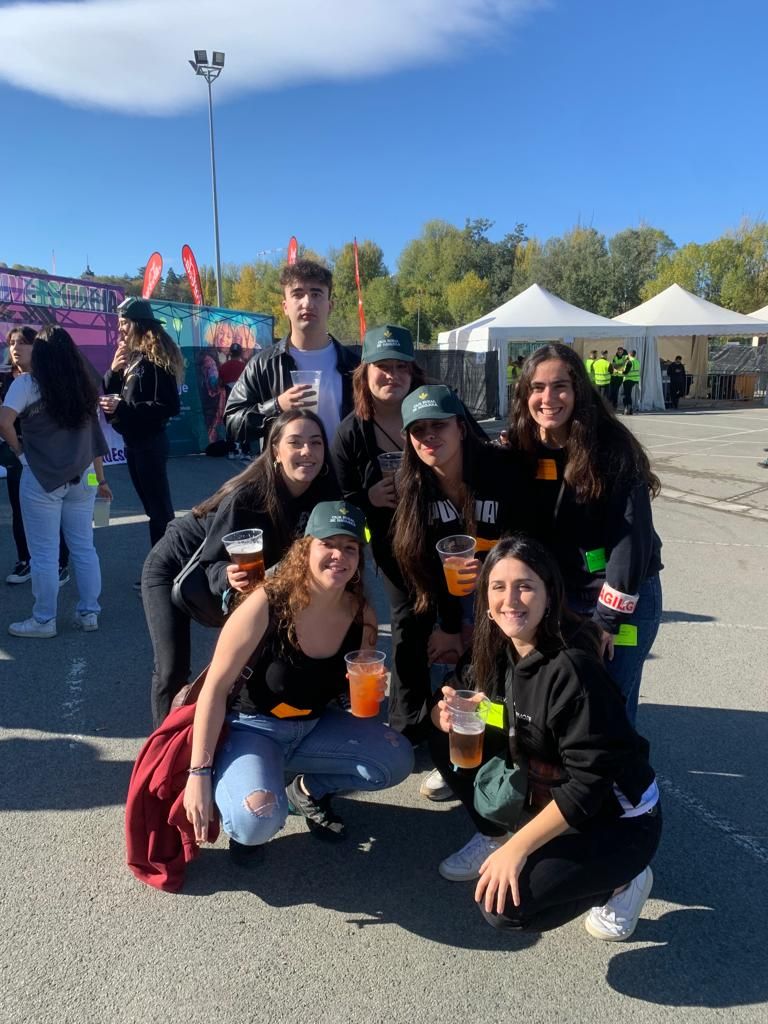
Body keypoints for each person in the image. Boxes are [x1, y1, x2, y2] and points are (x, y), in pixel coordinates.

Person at [430, 536, 662, 939]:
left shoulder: (573, 669)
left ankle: (624, 882)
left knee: (505, 909)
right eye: (498, 587)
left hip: (619, 817)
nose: (510, 599)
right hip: (553, 783)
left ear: (549, 595)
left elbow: (589, 784)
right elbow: (456, 695)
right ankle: (495, 835)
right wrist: (444, 714)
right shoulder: (495, 648)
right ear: (486, 600)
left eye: (525, 586)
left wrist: (518, 848)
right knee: (440, 738)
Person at [182, 500, 414, 862]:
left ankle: (305, 790)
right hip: (252, 728)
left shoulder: (361, 614)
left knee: (395, 758)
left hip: (314, 726)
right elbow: (214, 688)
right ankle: (245, 801)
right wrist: (198, 773)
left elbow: (356, 696)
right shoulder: (265, 603)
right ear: (305, 550)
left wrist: (369, 691)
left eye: (350, 548)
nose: (339, 556)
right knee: (257, 821)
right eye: (328, 544)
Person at [143, 410, 339, 727]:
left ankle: (262, 722)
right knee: (172, 669)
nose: (307, 452)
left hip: (255, 575)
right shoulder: (249, 496)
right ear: (275, 451)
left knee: (258, 647)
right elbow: (211, 562)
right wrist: (226, 575)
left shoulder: (326, 493)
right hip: (176, 565)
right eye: (295, 443)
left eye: (316, 443)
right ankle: (166, 747)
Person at [506, 343, 663, 723]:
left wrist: (606, 621)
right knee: (567, 704)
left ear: (578, 390)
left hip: (620, 598)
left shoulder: (612, 449)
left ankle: (620, 764)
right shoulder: (522, 448)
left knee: (608, 707)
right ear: (525, 394)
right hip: (563, 596)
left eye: (560, 386)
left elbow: (631, 543)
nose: (548, 398)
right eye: (537, 388)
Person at [390, 385, 530, 775]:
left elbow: (530, 542)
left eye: (438, 425)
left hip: (508, 591)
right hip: (451, 598)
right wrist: (452, 626)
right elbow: (421, 565)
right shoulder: (412, 486)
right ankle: (462, 743)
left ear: (461, 428)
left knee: (500, 673)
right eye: (418, 430)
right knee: (451, 666)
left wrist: (493, 580)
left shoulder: (500, 469)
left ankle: (504, 747)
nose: (429, 436)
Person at [331, 325, 430, 743]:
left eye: (401, 367)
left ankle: (448, 708)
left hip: (445, 534)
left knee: (452, 620)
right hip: (392, 541)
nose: (392, 375)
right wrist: (368, 497)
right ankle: (408, 724)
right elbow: (338, 501)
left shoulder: (431, 411)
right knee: (407, 621)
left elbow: (474, 451)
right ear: (365, 373)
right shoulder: (351, 432)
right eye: (382, 367)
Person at [0, 326, 111, 638]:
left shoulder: (27, 384)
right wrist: (100, 480)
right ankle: (89, 612)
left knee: (44, 554)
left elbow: (3, 422)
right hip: (83, 477)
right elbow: (94, 440)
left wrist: (21, 453)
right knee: (84, 548)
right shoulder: (83, 386)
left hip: (42, 478)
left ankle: (44, 619)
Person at [224, 259, 359, 451]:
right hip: (286, 470)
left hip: (342, 469)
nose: (307, 303)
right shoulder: (264, 364)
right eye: (298, 294)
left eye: (316, 294)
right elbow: (232, 422)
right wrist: (277, 406)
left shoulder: (354, 365)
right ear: (285, 306)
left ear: (330, 305)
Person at [101, 296, 184, 553]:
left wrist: (123, 408)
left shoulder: (155, 359)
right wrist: (113, 372)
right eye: (119, 323)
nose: (120, 329)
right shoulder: (133, 357)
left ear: (138, 324)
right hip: (133, 442)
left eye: (124, 322)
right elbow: (115, 396)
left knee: (160, 511)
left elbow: (169, 406)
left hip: (150, 442)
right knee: (153, 510)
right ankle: (163, 564)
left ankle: (167, 565)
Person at [2, 327, 71, 587]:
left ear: (37, 347)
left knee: (56, 511)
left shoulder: (51, 378)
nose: (15, 348)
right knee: (19, 510)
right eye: (12, 342)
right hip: (17, 457)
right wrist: (17, 450)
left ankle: (60, 563)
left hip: (48, 457)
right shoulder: (7, 379)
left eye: (23, 342)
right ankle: (26, 560)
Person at [622, 349, 641, 415]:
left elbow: (625, 372)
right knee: (628, 394)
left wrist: (620, 371)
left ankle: (627, 409)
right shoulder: (637, 361)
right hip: (635, 379)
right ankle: (630, 408)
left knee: (626, 395)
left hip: (628, 379)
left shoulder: (629, 362)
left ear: (629, 354)